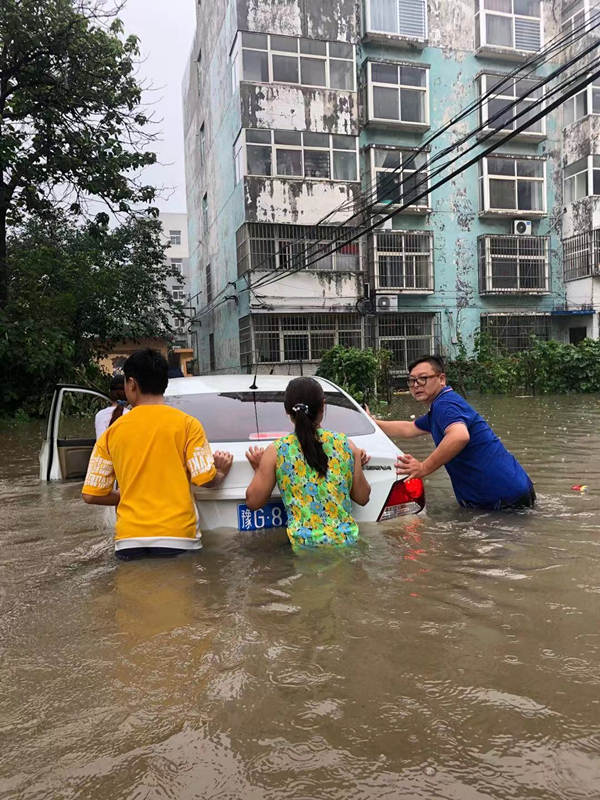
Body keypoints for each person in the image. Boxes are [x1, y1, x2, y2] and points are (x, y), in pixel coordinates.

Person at [82, 348, 233, 559]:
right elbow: (204, 478)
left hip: (128, 540)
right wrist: (222, 473)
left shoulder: (112, 432)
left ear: (132, 384)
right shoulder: (188, 425)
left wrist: (127, 495)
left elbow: (91, 494)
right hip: (179, 536)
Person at [369, 355, 535, 511]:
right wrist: (372, 422)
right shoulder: (442, 406)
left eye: (423, 378)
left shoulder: (444, 405)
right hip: (512, 489)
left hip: (500, 497)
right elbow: (409, 428)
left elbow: (459, 436)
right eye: (412, 381)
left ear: (441, 379)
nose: (416, 384)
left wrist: (423, 467)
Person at [245, 376, 371, 549]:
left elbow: (253, 502)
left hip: (304, 547)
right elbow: (363, 498)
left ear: (288, 411)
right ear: (323, 406)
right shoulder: (347, 445)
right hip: (346, 543)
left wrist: (262, 468)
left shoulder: (276, 451)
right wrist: (353, 465)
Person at [95, 374, 130, 439]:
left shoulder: (100, 415)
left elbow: (100, 442)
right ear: (127, 392)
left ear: (110, 392)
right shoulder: (132, 415)